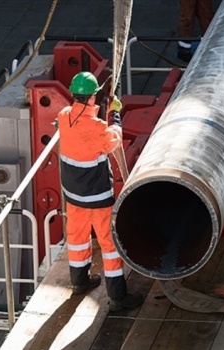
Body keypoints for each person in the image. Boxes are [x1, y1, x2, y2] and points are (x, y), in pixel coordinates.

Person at [57, 71, 143, 312]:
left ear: (73, 94)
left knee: (76, 239)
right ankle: (117, 297)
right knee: (109, 245)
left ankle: (80, 283)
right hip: (97, 198)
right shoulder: (97, 128)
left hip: (73, 196)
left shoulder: (63, 116)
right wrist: (114, 112)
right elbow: (114, 139)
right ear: (93, 97)